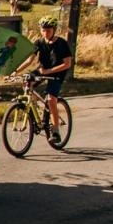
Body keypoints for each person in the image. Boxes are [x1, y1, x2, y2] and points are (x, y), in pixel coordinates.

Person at [29, 16, 73, 144]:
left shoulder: (62, 43)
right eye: (43, 30)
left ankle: (55, 130)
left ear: (54, 30)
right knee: (27, 82)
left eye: (48, 30)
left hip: (57, 74)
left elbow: (67, 64)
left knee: (51, 99)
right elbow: (29, 59)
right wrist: (15, 71)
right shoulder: (39, 42)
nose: (45, 33)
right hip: (44, 70)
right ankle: (34, 109)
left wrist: (49, 71)